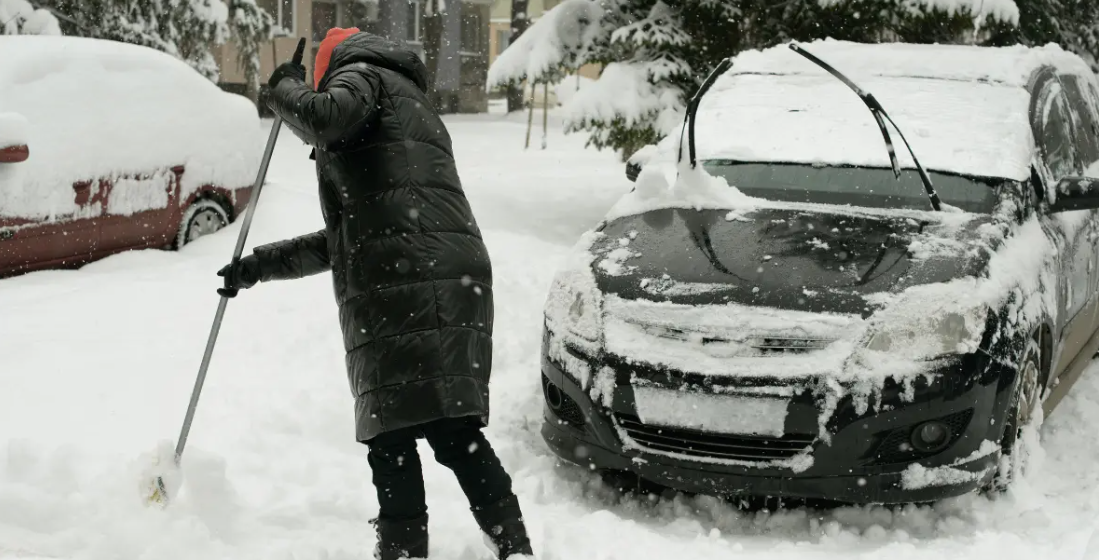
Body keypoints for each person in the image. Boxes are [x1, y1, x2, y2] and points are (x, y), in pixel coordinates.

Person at [216, 27, 534, 560]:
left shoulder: (362, 75)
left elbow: (323, 117)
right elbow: (351, 239)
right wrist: (258, 267)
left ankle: (406, 551)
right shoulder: (402, 99)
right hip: (440, 272)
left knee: (393, 434)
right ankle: (513, 545)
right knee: (449, 428)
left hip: (407, 277)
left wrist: (283, 88)